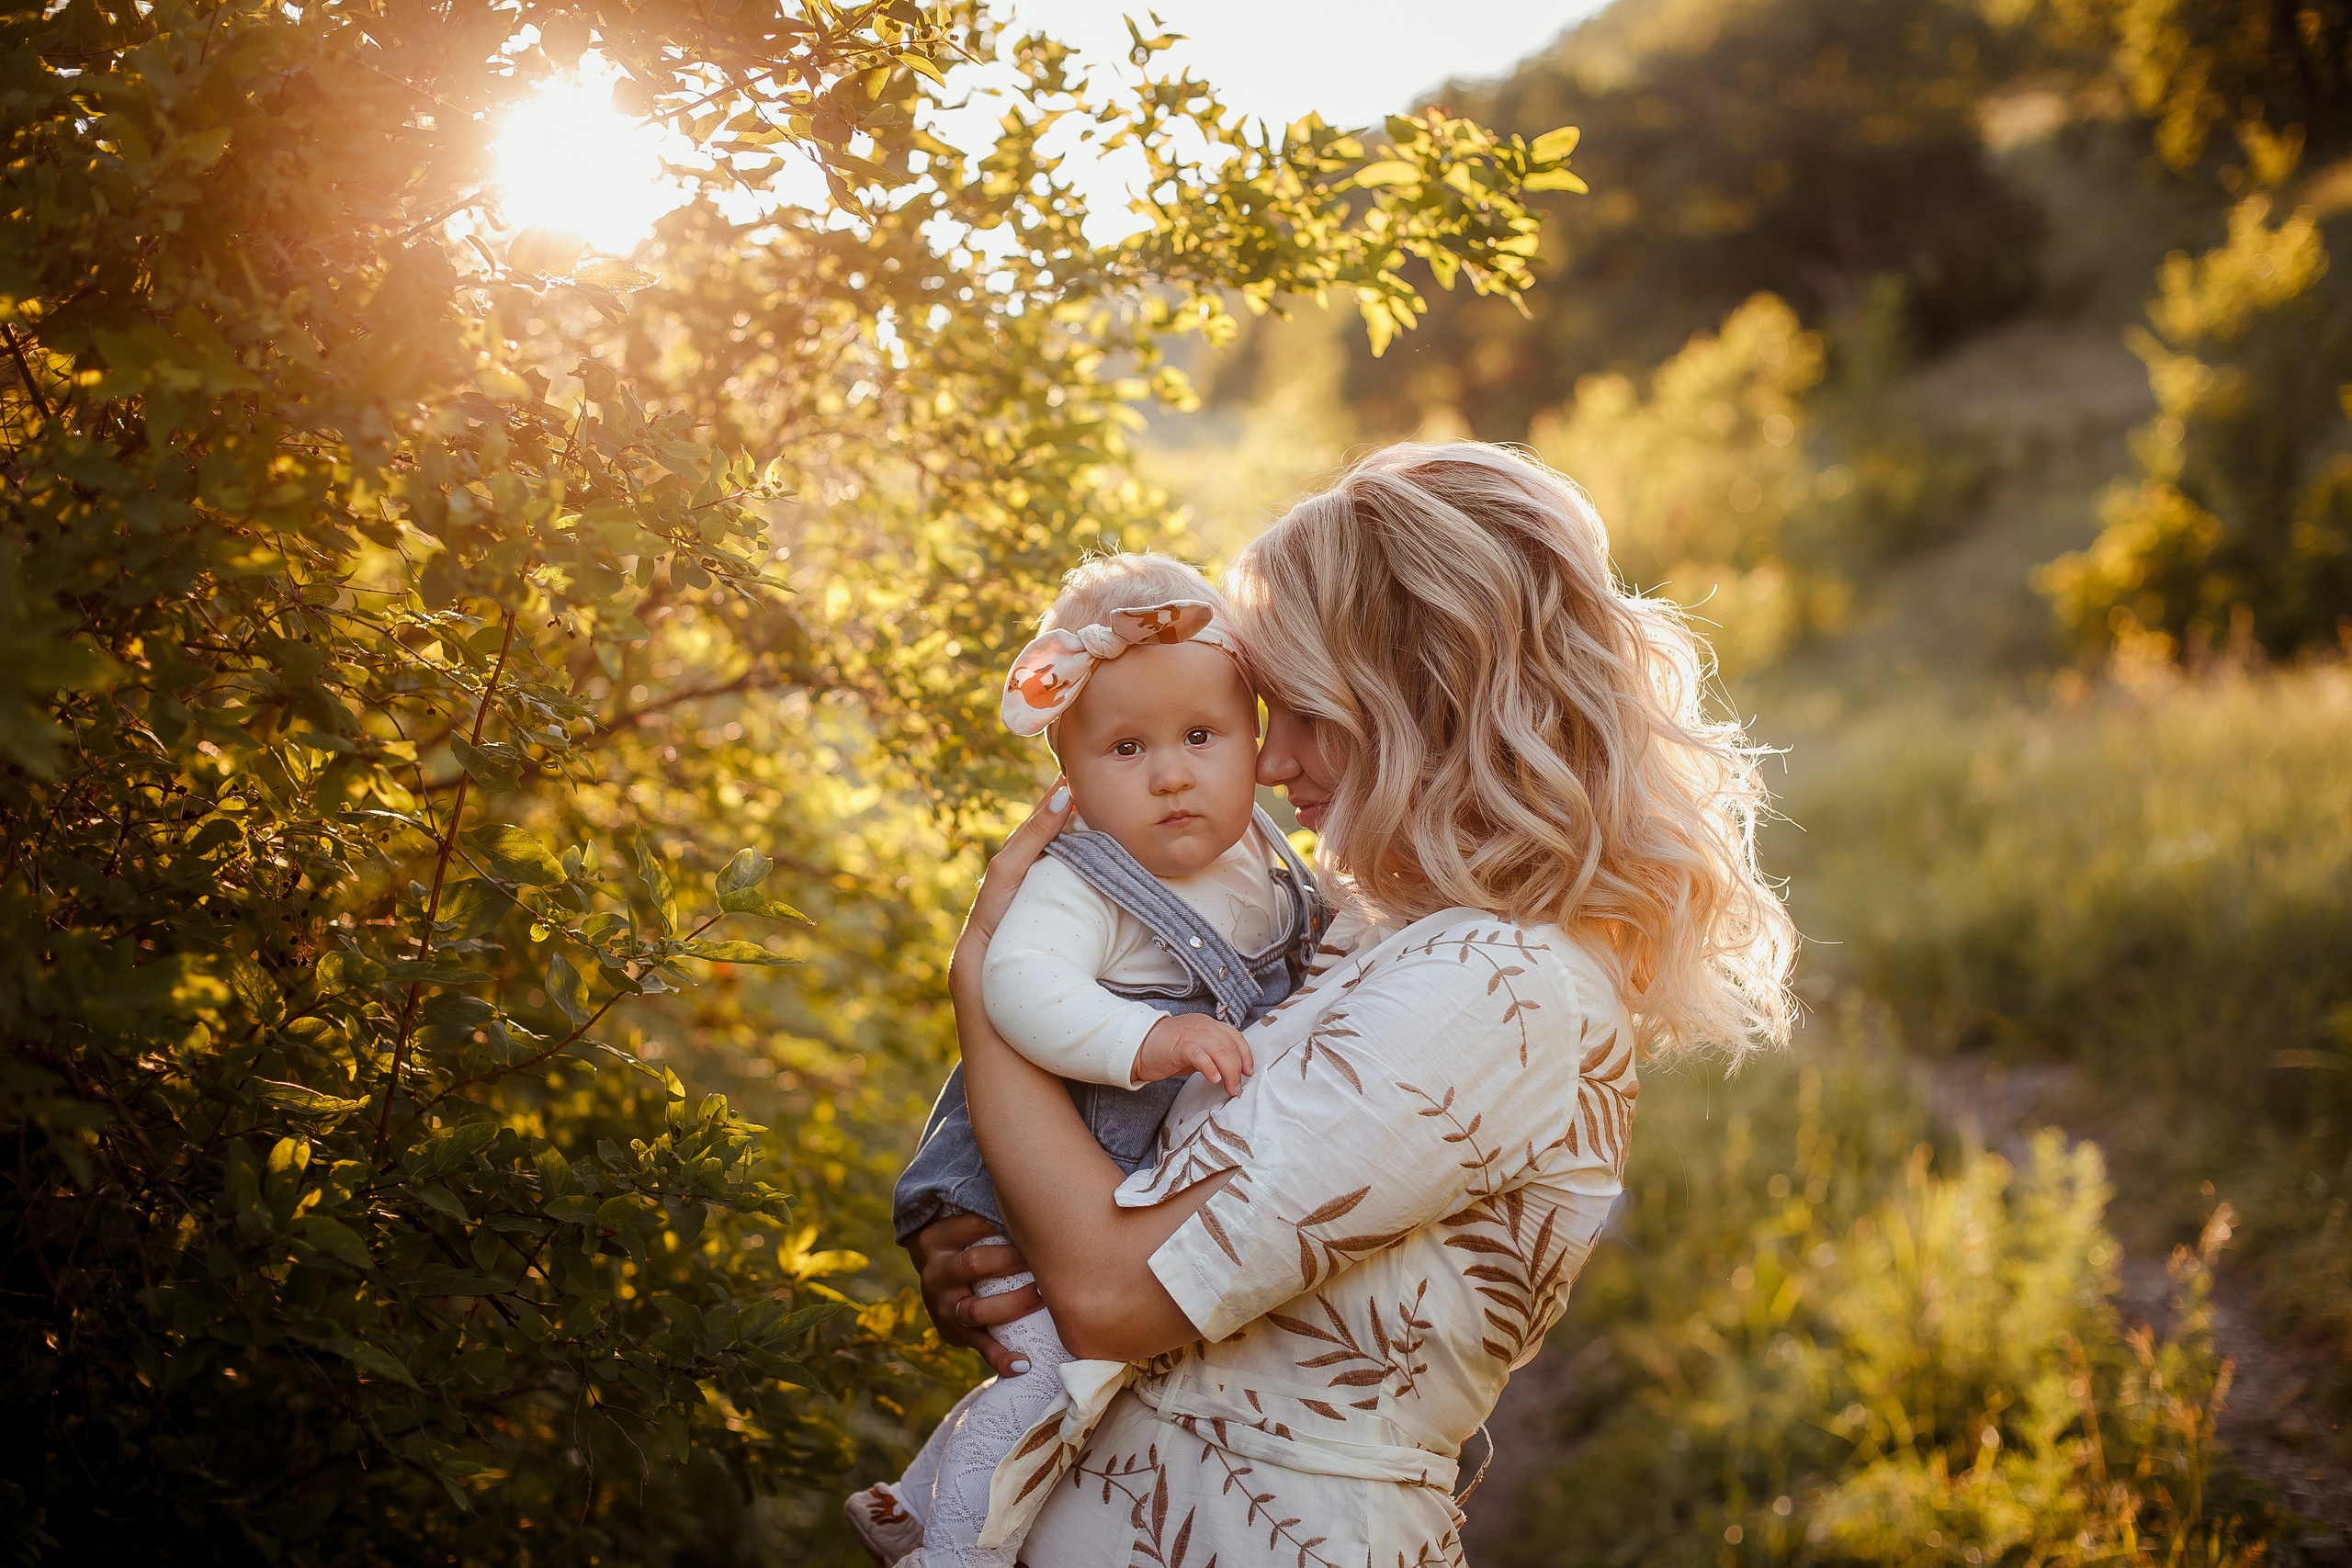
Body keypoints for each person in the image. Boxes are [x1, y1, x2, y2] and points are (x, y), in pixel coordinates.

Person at [907, 442, 1796, 1564]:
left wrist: (985, 971)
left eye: (1309, 710)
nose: (1271, 761)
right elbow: (1111, 1239)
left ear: (1425, 701)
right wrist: (999, 1247)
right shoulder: (1361, 934)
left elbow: (1116, 1293)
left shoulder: (1493, 986)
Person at [849, 553, 1337, 1566]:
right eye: (1124, 748)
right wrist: (1145, 1039)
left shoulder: (1263, 859)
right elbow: (1016, 986)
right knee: (1041, 1381)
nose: (1169, 773)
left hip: (1128, 1195)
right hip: (1035, 1183)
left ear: (1252, 737)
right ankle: (949, 1549)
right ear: (1063, 773)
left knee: (1058, 1378)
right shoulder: (1083, 883)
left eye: (1201, 737)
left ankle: (919, 1491)